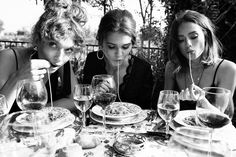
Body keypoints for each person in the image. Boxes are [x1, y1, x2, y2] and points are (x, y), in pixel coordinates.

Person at [0, 0, 87, 113]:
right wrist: (18, 77)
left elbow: (76, 99)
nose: (59, 58)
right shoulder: (8, 58)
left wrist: (37, 113)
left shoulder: (61, 60)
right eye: (53, 44)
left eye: (68, 49)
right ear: (37, 39)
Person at [164, 10, 236, 117]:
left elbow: (219, 116)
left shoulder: (227, 69)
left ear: (206, 35)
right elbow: (166, 107)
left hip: (212, 132)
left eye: (193, 37)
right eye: (181, 40)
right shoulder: (172, 67)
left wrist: (201, 100)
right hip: (178, 131)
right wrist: (175, 99)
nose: (188, 44)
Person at [82, 9, 154, 109]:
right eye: (111, 47)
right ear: (101, 43)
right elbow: (84, 103)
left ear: (132, 44)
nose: (119, 54)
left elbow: (145, 111)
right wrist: (93, 95)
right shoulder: (92, 60)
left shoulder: (142, 69)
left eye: (125, 47)